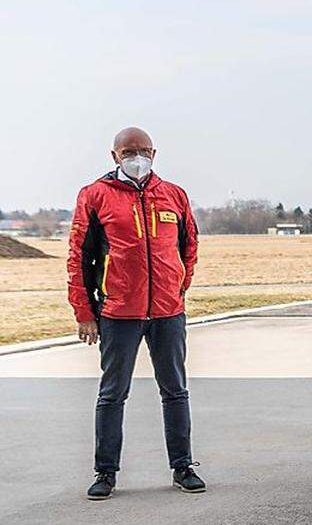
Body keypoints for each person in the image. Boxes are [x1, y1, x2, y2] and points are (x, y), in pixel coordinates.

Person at [67, 127, 203, 500]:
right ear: (114, 156)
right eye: (129, 151)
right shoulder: (95, 196)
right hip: (117, 313)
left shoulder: (174, 195)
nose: (137, 157)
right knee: (112, 394)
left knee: (175, 391)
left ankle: (182, 466)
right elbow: (79, 257)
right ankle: (105, 472)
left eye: (143, 150)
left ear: (155, 153)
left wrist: (179, 286)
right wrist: (84, 311)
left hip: (167, 313)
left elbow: (189, 246)